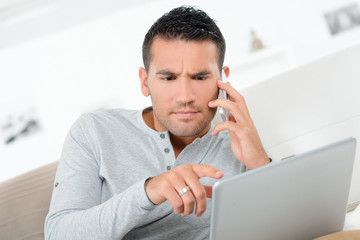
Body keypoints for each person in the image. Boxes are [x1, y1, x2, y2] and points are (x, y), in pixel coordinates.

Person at [45, 6, 271, 239]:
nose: (185, 96)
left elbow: (286, 227)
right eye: (168, 78)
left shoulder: (240, 146)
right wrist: (148, 191)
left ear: (222, 79)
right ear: (145, 82)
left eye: (200, 77)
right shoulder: (93, 130)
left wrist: (261, 164)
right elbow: (58, 234)